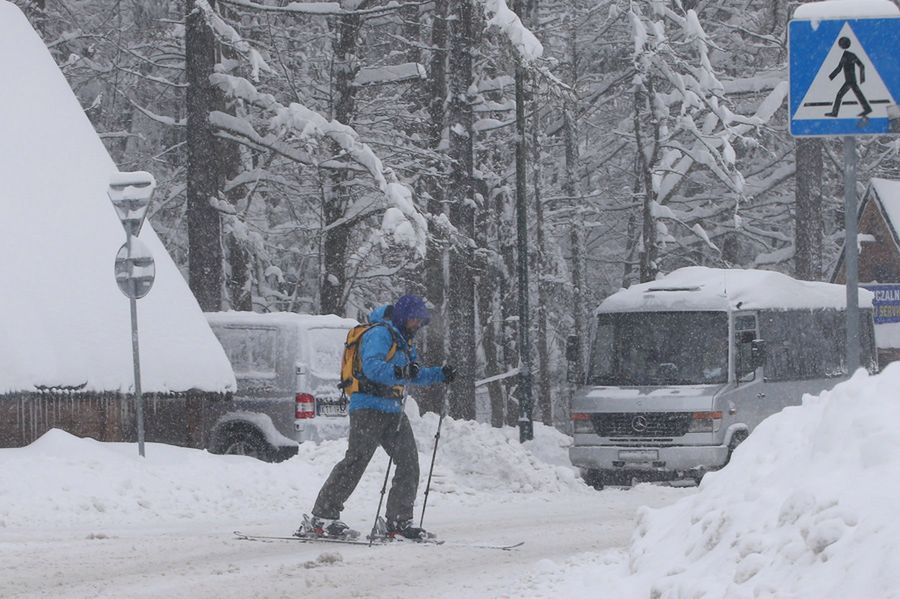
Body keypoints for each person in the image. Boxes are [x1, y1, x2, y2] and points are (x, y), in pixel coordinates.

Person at [299, 294, 455, 540]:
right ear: (403, 316)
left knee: (409, 463)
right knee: (356, 461)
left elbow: (412, 374)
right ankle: (322, 517)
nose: (417, 324)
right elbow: (372, 367)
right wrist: (400, 371)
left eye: (420, 320)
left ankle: (398, 522)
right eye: (414, 319)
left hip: (393, 410)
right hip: (368, 407)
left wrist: (439, 374)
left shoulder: (404, 340)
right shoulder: (380, 333)